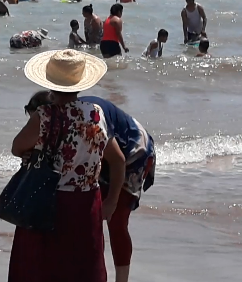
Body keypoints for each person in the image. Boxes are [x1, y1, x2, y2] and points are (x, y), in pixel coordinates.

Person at [9, 50, 125, 282]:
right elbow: (118, 159)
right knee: (83, 269)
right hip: (87, 203)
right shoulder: (96, 113)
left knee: (40, 270)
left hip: (47, 203)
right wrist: (111, 201)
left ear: (49, 83)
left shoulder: (44, 115)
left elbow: (16, 147)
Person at [23, 91, 155, 282]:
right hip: (102, 156)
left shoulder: (89, 115)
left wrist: (111, 201)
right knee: (88, 220)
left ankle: (121, 279)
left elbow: (118, 160)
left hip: (133, 152)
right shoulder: (59, 116)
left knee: (116, 221)